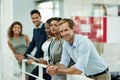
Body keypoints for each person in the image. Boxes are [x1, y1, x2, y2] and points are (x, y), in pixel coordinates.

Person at [46, 18, 111, 80]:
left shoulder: (83, 42)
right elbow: (64, 62)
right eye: (61, 31)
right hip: (88, 75)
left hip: (102, 75)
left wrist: (57, 71)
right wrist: (55, 68)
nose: (64, 34)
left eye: (66, 30)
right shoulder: (66, 43)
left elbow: (78, 70)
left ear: (73, 29)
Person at [25, 9, 47, 80]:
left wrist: (34, 58)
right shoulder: (35, 29)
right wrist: (25, 55)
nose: (35, 20)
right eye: (33, 18)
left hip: (45, 59)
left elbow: (41, 44)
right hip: (39, 58)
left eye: (37, 17)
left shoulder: (44, 27)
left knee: (33, 77)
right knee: (32, 77)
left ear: (40, 17)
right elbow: (33, 43)